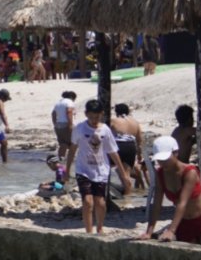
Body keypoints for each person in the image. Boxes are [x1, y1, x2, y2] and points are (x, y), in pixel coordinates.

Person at [140, 136, 201, 246]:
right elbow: (156, 203)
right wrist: (149, 232)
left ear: (176, 153)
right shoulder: (160, 174)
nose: (162, 162)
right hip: (184, 222)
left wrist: (171, 230)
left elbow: (182, 203)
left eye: (165, 159)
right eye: (160, 159)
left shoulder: (190, 172)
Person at [65, 99, 133, 235]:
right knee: (87, 201)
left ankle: (100, 227)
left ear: (101, 114)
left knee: (100, 202)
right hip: (83, 170)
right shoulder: (80, 128)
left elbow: (113, 152)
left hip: (101, 170)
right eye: (91, 117)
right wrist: (67, 170)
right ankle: (89, 231)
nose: (94, 120)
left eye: (96, 117)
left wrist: (124, 174)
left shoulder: (105, 130)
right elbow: (72, 149)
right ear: (86, 114)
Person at [111, 103, 146, 190]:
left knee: (114, 170)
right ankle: (128, 199)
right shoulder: (135, 122)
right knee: (126, 174)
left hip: (118, 145)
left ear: (116, 112)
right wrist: (139, 155)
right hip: (131, 147)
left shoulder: (114, 120)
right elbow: (139, 140)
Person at [51, 91, 78, 159]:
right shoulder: (69, 102)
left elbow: (53, 114)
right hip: (66, 124)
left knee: (63, 143)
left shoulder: (58, 103)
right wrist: (70, 125)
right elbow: (69, 112)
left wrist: (55, 124)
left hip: (58, 125)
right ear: (72, 97)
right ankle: (71, 159)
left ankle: (60, 158)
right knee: (73, 143)